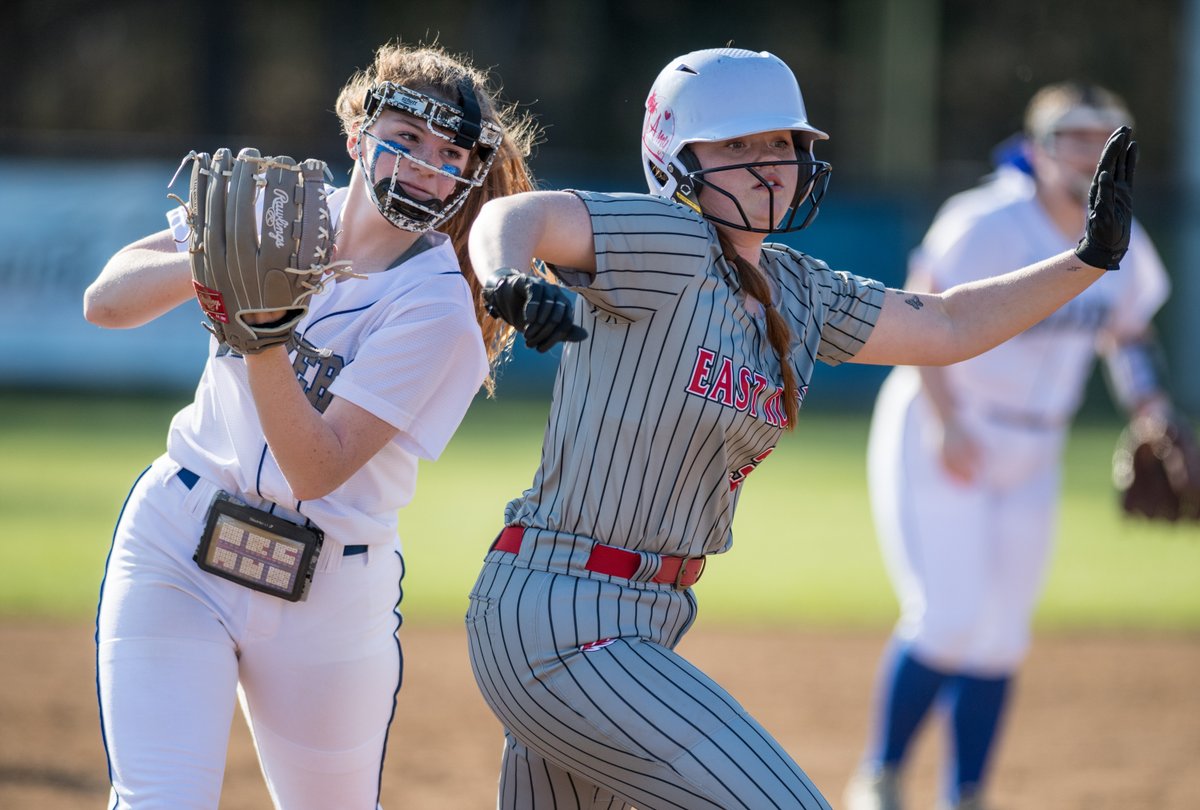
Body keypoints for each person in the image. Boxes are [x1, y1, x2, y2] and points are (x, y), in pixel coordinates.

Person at [461, 48, 1137, 810]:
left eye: (779, 144)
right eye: (735, 146)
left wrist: (1087, 259)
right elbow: (518, 214)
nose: (765, 166)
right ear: (675, 162)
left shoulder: (798, 288)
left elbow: (946, 324)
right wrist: (505, 276)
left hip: (638, 620)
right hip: (562, 614)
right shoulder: (670, 241)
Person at [83, 40, 537, 809]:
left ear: (466, 175)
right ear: (359, 137)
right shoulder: (276, 209)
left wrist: (260, 326)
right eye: (407, 138)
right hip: (177, 541)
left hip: (328, 588)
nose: (427, 164)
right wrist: (212, 264)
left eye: (450, 153)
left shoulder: (439, 311)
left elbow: (316, 468)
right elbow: (106, 301)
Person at [844, 82, 1173, 810]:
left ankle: (966, 794)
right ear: (1037, 148)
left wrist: (1153, 413)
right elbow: (916, 312)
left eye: (1105, 138)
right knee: (949, 616)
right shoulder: (984, 221)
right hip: (945, 425)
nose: (1090, 153)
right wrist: (946, 423)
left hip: (1037, 446)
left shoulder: (1124, 235)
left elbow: (1129, 334)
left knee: (1000, 636)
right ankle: (882, 775)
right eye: (1073, 137)